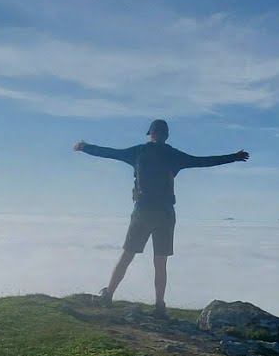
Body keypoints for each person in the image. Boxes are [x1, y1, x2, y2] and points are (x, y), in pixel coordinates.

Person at [73, 118, 249, 317]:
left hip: (142, 212)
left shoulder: (138, 152)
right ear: (166, 135)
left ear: (150, 133)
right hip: (165, 214)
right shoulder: (174, 155)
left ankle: (108, 295)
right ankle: (159, 305)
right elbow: (203, 161)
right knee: (160, 262)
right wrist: (233, 157)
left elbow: (109, 152)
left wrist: (84, 147)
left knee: (127, 256)